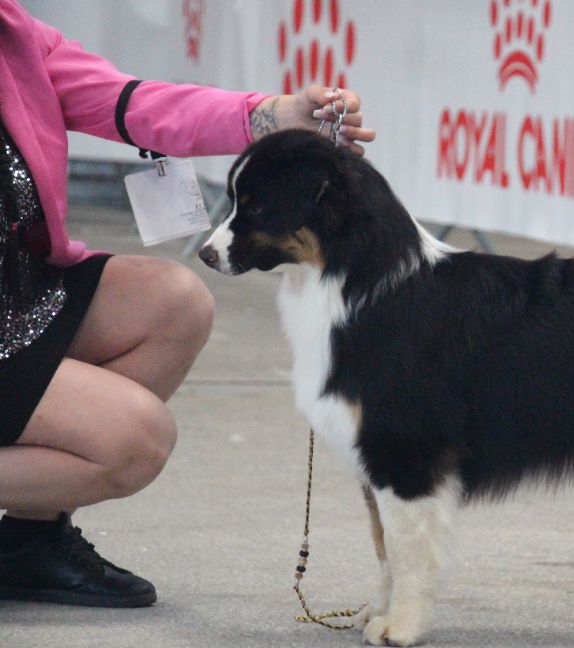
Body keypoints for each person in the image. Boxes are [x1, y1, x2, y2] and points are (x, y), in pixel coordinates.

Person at [0, 0, 375, 607]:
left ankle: (26, 541)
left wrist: (276, 116)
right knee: (135, 440)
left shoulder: (13, 31)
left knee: (174, 304)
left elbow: (132, 102)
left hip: (14, 297)